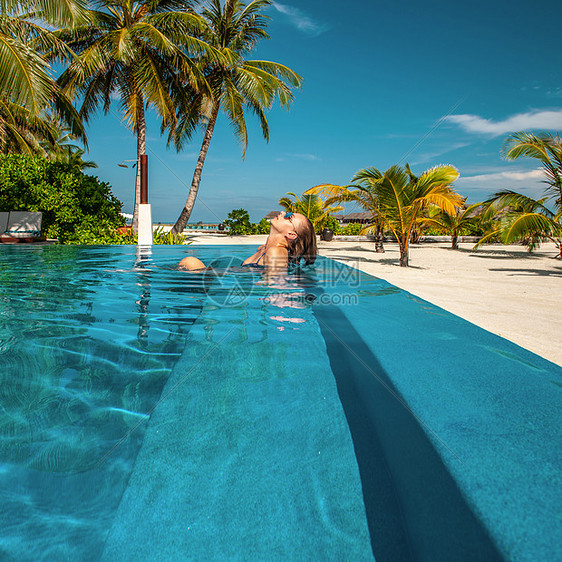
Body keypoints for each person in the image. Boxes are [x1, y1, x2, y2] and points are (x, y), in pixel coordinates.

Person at [178, 211, 317, 271]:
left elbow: (274, 287)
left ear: (291, 234)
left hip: (227, 285)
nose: (282, 213)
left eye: (289, 216)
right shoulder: (263, 249)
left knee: (189, 261)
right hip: (225, 279)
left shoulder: (277, 253)